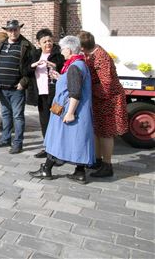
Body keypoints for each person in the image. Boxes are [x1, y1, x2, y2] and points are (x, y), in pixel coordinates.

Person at [29, 35, 95, 184]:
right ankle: (79, 172)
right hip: (78, 111)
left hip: (68, 111)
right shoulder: (78, 64)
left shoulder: (74, 67)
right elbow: (73, 85)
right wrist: (60, 78)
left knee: (57, 139)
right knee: (78, 141)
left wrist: (70, 113)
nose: (61, 51)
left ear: (70, 49)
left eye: (63, 48)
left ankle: (46, 169)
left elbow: (75, 92)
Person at [79, 31, 128, 178]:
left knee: (106, 133)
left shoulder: (101, 57)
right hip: (99, 100)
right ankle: (97, 160)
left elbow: (106, 84)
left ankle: (107, 166)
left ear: (83, 47)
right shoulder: (91, 53)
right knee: (97, 131)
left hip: (109, 100)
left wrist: (87, 90)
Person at [0, 19, 34, 154]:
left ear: (19, 30)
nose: (13, 32)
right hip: (1, 88)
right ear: (7, 32)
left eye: (15, 29)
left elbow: (31, 67)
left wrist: (23, 82)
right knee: (6, 115)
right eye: (10, 30)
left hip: (16, 89)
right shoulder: (1, 44)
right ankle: (5, 139)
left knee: (18, 116)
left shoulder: (26, 46)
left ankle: (17, 143)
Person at [29, 28, 65, 158]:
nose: (48, 44)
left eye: (50, 41)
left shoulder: (58, 53)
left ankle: (58, 150)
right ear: (39, 43)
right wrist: (34, 65)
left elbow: (63, 68)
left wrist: (53, 65)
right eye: (44, 42)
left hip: (55, 95)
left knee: (56, 121)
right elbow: (26, 70)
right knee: (44, 122)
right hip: (41, 94)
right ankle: (47, 148)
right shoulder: (35, 54)